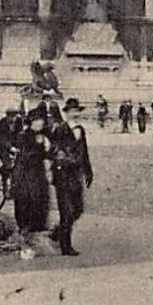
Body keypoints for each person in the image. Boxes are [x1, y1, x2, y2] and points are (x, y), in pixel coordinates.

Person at [49, 97, 93, 257]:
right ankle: (66, 246)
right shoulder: (60, 129)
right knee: (66, 212)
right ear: (66, 113)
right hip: (63, 175)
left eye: (76, 111)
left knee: (78, 209)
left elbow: (84, 151)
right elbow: (54, 150)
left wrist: (88, 170)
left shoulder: (80, 129)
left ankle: (56, 233)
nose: (74, 114)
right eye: (71, 111)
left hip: (76, 175)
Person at [11, 105, 53, 236]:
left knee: (41, 196)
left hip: (38, 171)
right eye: (36, 120)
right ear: (31, 122)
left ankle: (39, 224)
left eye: (41, 120)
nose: (40, 123)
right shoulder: (24, 135)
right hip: (25, 172)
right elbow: (25, 155)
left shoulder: (46, 135)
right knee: (26, 197)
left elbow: (50, 152)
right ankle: (24, 225)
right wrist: (40, 148)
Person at [0, 106, 24, 171]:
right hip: (1, 147)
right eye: (11, 116)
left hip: (14, 145)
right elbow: (2, 139)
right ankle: (4, 175)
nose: (13, 119)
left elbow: (20, 135)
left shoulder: (19, 122)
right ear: (7, 116)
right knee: (8, 165)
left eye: (14, 116)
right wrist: (10, 147)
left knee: (20, 164)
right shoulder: (1, 124)